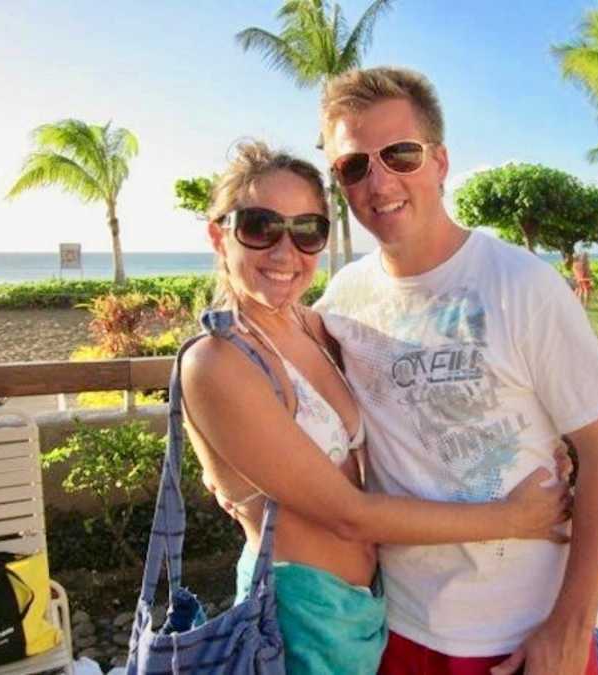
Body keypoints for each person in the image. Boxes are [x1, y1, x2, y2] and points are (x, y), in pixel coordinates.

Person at [181, 140, 575, 674]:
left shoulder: (315, 325)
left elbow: (424, 391)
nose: (284, 252)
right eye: (259, 227)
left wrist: (536, 437)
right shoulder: (219, 362)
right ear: (217, 234)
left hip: (369, 608)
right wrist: (513, 518)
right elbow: (349, 516)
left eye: (306, 231)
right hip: (300, 617)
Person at [316, 67, 598, 674]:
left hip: (526, 632)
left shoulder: (522, 284)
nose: (378, 181)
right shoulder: (341, 302)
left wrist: (569, 626)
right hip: (400, 628)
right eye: (353, 166)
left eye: (400, 154)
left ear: (439, 162)